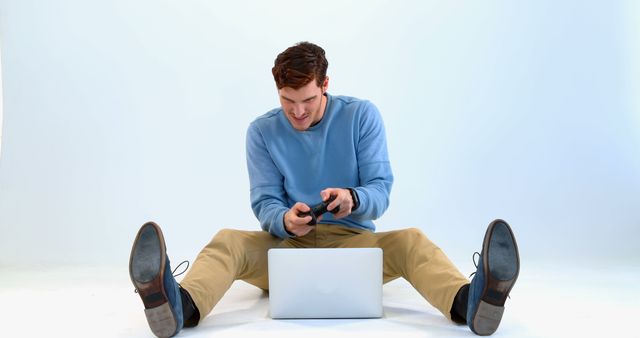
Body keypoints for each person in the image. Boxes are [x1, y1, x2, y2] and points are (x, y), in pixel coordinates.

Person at [128, 42, 520, 338]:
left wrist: (354, 199)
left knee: (412, 241)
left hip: (354, 247)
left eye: (309, 100)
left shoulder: (360, 115)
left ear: (326, 85)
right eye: (288, 101)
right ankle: (177, 307)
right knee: (226, 241)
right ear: (276, 90)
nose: (298, 112)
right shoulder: (261, 131)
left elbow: (381, 191)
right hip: (287, 249)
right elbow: (264, 200)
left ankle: (473, 302)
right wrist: (283, 219)